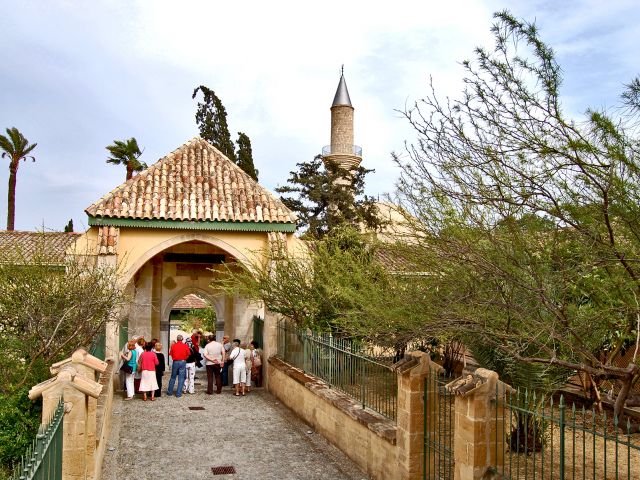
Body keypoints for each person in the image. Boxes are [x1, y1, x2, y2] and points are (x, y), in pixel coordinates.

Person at [183, 330, 202, 394]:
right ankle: (191, 390)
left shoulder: (184, 347)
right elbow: (197, 354)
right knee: (191, 378)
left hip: (185, 363)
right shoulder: (193, 348)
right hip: (192, 364)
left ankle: (184, 390)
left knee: (185, 377)